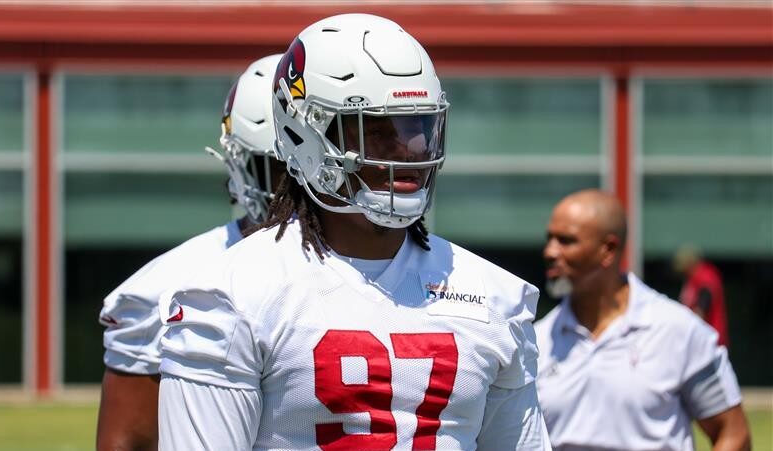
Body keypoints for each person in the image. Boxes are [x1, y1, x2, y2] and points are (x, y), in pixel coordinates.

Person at [157, 13, 550, 451]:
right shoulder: (232, 294)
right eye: (378, 131)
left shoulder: (495, 296)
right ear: (304, 133)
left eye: (418, 126)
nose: (411, 151)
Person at [95, 54, 283, 451]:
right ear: (242, 164)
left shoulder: (412, 272)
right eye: (283, 168)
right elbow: (129, 442)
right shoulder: (166, 291)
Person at [535, 189, 750, 451]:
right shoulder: (535, 342)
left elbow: (733, 433)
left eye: (566, 241)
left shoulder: (678, 330)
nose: (550, 251)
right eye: (549, 239)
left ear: (608, 249)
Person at [674, 244, 730, 347]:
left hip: (709, 341)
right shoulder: (691, 278)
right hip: (699, 340)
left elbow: (702, 306)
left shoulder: (705, 274)